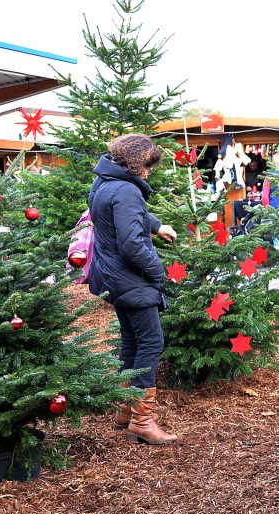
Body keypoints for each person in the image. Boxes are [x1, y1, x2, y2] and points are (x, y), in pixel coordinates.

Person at [87, 133, 178, 445]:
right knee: (151, 341)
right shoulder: (126, 190)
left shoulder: (104, 181)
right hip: (130, 278)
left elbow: (122, 214)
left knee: (130, 338)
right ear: (137, 164)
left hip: (111, 276)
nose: (149, 172)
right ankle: (142, 419)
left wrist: (156, 224)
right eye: (148, 167)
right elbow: (131, 244)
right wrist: (158, 273)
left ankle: (126, 408)